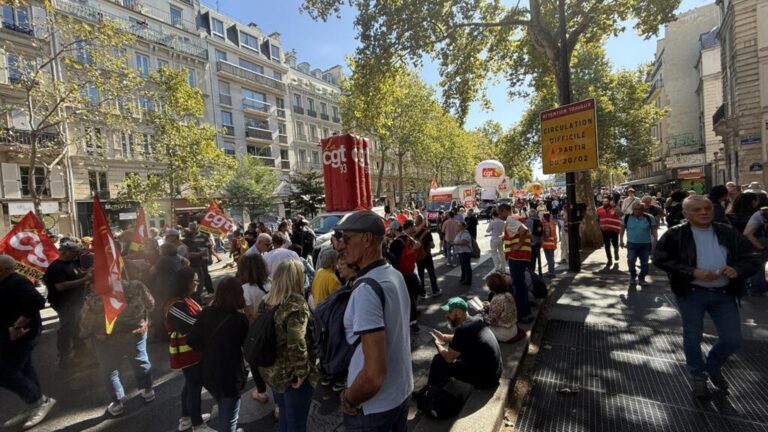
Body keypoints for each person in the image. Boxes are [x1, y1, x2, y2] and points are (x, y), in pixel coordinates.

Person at [653, 195, 760, 396]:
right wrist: (692, 272)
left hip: (724, 293)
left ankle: (712, 366)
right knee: (693, 337)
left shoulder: (728, 231)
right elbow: (659, 259)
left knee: (732, 340)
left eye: (707, 208)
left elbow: (751, 258)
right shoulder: (676, 234)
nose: (703, 212)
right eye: (697, 209)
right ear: (686, 213)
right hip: (691, 293)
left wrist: (737, 269)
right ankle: (697, 376)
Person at [334, 211, 413, 431]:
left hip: (373, 408)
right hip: (400, 392)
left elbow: (374, 375)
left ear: (367, 239)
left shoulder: (366, 289)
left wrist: (349, 397)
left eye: (346, 238)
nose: (341, 245)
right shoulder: (393, 274)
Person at [83, 272, 156, 417]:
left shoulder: (93, 298)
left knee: (110, 369)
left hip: (106, 338)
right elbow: (151, 304)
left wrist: (85, 335)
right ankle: (148, 391)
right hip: (136, 332)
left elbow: (86, 322)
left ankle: (117, 403)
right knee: (140, 360)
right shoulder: (136, 285)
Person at [258, 260, 318, 432]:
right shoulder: (296, 304)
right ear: (296, 278)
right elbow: (296, 341)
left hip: (272, 370)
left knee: (284, 415)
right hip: (291, 375)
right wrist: (302, 372)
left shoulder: (267, 300)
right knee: (296, 423)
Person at [0, 256, 57, 430]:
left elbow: (37, 302)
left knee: (6, 371)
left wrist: (18, 326)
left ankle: (38, 401)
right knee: (25, 369)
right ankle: (35, 404)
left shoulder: (17, 282)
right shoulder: (4, 282)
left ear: (6, 269)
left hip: (23, 334)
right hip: (8, 335)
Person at [188, 276, 249, 432]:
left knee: (223, 405)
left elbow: (192, 340)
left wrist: (207, 347)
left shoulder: (206, 313)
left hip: (209, 372)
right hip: (231, 376)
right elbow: (248, 347)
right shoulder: (240, 319)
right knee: (229, 420)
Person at [164, 268, 213, 432]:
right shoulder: (175, 305)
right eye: (195, 280)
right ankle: (197, 425)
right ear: (185, 283)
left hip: (193, 349)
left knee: (190, 383)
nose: (198, 283)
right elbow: (194, 323)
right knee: (194, 386)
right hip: (187, 351)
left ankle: (186, 418)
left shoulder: (185, 299)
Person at [428, 297, 503, 389]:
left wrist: (437, 344)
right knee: (459, 352)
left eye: (450, 312)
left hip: (486, 381)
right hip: (496, 373)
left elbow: (448, 358)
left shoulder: (461, 330)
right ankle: (443, 379)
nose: (447, 315)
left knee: (439, 359)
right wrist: (443, 337)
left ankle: (430, 389)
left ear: (459, 313)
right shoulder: (477, 319)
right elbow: (462, 339)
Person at [44, 241, 91, 368]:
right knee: (67, 329)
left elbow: (76, 275)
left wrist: (86, 274)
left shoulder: (71, 263)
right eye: (74, 252)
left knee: (76, 327)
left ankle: (81, 352)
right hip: (65, 303)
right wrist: (83, 280)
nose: (76, 255)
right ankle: (65, 358)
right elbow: (61, 286)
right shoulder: (56, 267)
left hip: (75, 301)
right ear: (64, 252)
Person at [235, 253, 271, 403]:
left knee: (255, 362)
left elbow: (250, 314)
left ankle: (261, 391)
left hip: (254, 332)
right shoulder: (270, 282)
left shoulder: (244, 289)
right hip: (272, 327)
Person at [498, 203, 534, 324]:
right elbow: (529, 234)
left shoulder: (510, 219)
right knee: (521, 286)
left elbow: (524, 231)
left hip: (517, 256)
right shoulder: (517, 218)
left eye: (499, 213)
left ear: (504, 211)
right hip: (522, 256)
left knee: (517, 286)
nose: (499, 216)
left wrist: (518, 245)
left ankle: (522, 314)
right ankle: (526, 313)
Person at [389, 220, 423, 332]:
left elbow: (393, 260)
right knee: (411, 295)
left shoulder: (395, 243)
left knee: (405, 297)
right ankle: (413, 320)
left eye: (391, 230)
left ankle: (410, 322)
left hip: (400, 273)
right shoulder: (406, 238)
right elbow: (418, 245)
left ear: (394, 230)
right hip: (410, 271)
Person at [620, 202, 658, 286]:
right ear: (632, 209)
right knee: (631, 260)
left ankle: (642, 278)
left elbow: (654, 229)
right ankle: (633, 276)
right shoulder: (626, 217)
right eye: (635, 209)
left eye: (640, 209)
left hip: (645, 244)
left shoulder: (649, 217)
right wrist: (621, 240)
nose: (637, 211)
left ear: (643, 209)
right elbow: (622, 229)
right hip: (631, 244)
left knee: (644, 263)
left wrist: (655, 240)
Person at [483, 273, 526, 343]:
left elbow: (492, 321)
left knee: (482, 330)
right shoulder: (508, 295)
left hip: (504, 333)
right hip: (514, 329)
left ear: (491, 287)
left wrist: (483, 316)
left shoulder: (496, 299)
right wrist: (490, 306)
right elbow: (503, 308)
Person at [413, 214, 441, 297]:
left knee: (420, 275)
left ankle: (422, 292)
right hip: (427, 255)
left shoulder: (413, 233)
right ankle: (435, 290)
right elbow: (432, 245)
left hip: (418, 256)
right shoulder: (427, 232)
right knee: (431, 274)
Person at [183, 223, 214, 297]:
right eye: (191, 228)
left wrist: (210, 258)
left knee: (205, 274)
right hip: (193, 261)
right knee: (196, 277)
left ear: (197, 228)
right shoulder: (188, 238)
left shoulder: (204, 236)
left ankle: (210, 291)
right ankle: (198, 292)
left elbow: (209, 247)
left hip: (203, 259)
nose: (192, 230)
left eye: (194, 228)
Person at [596, 197, 622, 268]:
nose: (604, 203)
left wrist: (615, 207)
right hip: (604, 230)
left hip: (614, 230)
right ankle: (609, 259)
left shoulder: (615, 208)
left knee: (615, 244)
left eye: (606, 201)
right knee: (607, 245)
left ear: (610, 202)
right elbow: (597, 219)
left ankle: (616, 252)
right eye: (603, 201)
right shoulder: (599, 209)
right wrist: (598, 228)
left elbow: (621, 214)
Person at [486, 209, 506, 274]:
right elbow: (503, 230)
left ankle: (497, 268)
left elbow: (487, 230)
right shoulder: (502, 222)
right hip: (501, 238)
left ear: (493, 215)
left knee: (494, 254)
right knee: (501, 253)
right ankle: (503, 268)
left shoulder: (492, 222)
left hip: (494, 239)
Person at [453, 221, 473, 285]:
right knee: (463, 266)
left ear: (463, 226)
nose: (458, 227)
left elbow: (464, 242)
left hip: (465, 252)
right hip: (461, 251)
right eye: (458, 225)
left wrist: (455, 243)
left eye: (459, 226)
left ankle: (468, 280)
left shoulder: (465, 233)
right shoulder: (460, 232)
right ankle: (463, 277)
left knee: (466, 266)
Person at [541, 213, 558, 277]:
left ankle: (551, 272)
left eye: (543, 217)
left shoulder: (546, 225)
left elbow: (547, 235)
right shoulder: (552, 223)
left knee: (549, 259)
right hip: (552, 243)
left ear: (545, 218)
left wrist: (541, 235)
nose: (542, 219)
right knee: (551, 258)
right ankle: (551, 271)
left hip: (547, 244)